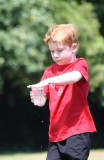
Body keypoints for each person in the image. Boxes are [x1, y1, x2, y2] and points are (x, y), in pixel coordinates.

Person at [27, 24, 96, 160]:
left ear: (74, 47)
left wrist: (48, 81)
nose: (55, 55)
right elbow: (41, 100)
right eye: (52, 51)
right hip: (55, 134)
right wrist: (37, 98)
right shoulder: (49, 72)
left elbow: (74, 77)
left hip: (78, 131)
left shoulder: (80, 64)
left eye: (59, 50)